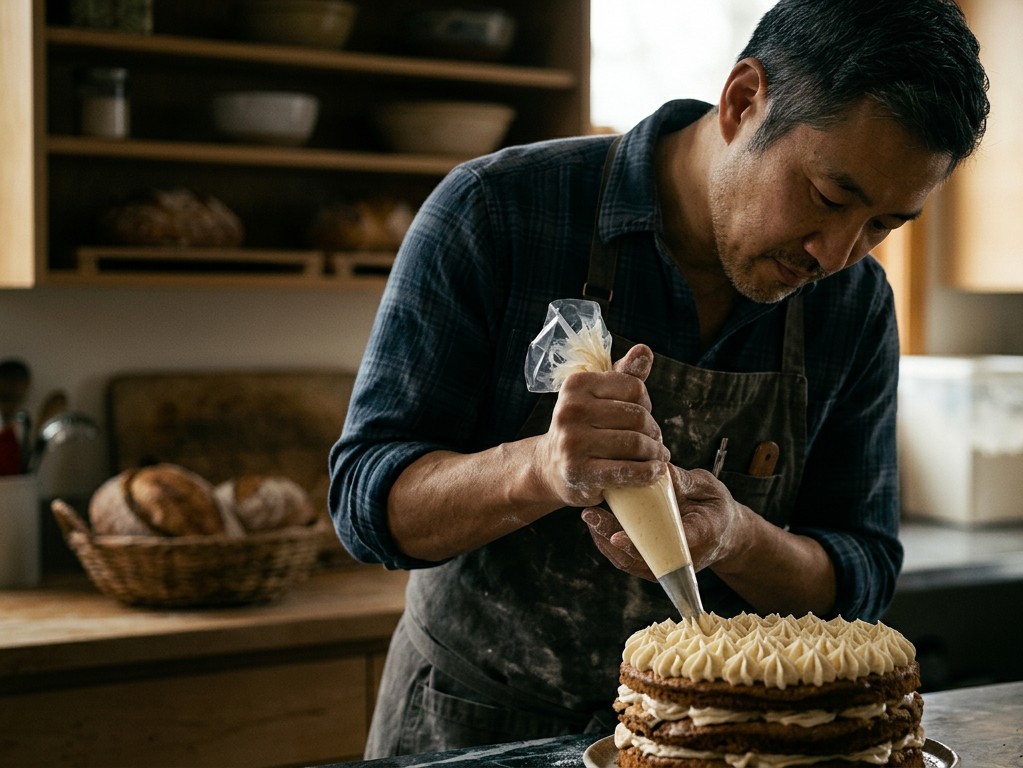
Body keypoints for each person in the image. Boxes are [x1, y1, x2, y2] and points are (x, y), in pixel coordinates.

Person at [329, 0, 989, 757]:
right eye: (830, 198)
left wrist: (738, 537)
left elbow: (860, 578)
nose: (836, 252)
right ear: (744, 101)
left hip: (722, 749)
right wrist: (537, 467)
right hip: (475, 731)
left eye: (883, 225)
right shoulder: (497, 212)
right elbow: (366, 506)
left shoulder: (854, 304)